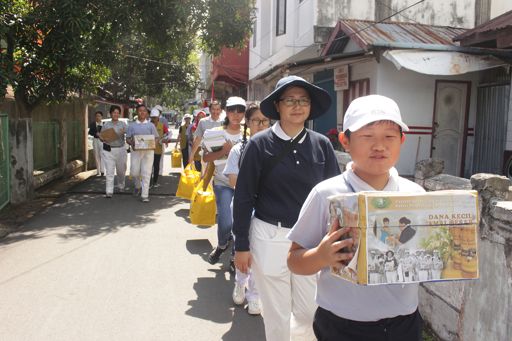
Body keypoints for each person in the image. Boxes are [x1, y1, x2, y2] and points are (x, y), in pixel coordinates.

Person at [287, 94, 425, 341]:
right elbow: (294, 260)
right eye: (367, 136)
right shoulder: (325, 194)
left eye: (389, 137)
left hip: (404, 324)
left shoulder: (415, 194)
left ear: (402, 140)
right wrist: (321, 256)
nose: (379, 145)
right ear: (345, 141)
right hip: (341, 326)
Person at [233, 75, 340, 341]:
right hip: (269, 236)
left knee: (309, 312)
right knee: (277, 315)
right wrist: (241, 246)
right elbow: (244, 197)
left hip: (310, 241)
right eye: (290, 100)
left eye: (303, 100)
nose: (297, 105)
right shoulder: (259, 145)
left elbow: (335, 196)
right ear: (277, 106)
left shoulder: (322, 145)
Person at [223, 103, 270, 316]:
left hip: (268, 210)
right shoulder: (238, 149)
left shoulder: (274, 149)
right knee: (243, 250)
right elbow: (233, 181)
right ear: (247, 124)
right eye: (256, 121)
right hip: (243, 208)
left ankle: (255, 296)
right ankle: (240, 283)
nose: (260, 125)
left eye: (265, 121)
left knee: (260, 255)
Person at [203, 97, 247, 265]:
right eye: (232, 110)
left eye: (240, 111)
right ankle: (222, 244)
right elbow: (206, 158)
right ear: (226, 112)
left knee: (242, 222)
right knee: (225, 221)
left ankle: (235, 256)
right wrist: (224, 150)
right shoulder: (215, 133)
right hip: (222, 183)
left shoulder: (249, 134)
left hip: (244, 185)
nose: (236, 115)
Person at [126, 104, 159, 203]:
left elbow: (156, 138)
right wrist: (132, 143)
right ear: (137, 112)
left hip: (148, 152)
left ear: (147, 113)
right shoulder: (132, 125)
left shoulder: (151, 125)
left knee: (146, 172)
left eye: (144, 111)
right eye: (140, 110)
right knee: (134, 171)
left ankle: (145, 195)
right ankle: (137, 186)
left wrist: (154, 145)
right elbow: (127, 138)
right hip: (136, 151)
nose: (142, 112)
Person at [101, 105, 127, 198]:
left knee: (121, 171)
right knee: (109, 171)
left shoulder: (123, 124)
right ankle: (109, 191)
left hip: (121, 150)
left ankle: (121, 185)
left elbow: (128, 135)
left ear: (119, 114)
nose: (116, 114)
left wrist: (123, 132)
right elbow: (102, 137)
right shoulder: (106, 125)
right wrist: (103, 138)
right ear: (110, 113)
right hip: (109, 150)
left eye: (117, 113)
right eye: (114, 112)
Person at [188, 101, 223, 167]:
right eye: (213, 109)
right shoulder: (203, 122)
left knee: (219, 177)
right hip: (206, 156)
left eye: (218, 109)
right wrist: (192, 155)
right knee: (205, 177)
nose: (215, 112)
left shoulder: (225, 122)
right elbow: (198, 139)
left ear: (221, 110)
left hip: (221, 157)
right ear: (209, 110)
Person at [150, 108, 170, 188]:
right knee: (148, 167)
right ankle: (148, 182)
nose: (154, 119)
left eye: (155, 117)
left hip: (158, 149)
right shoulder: (148, 124)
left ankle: (155, 182)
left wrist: (166, 140)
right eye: (152, 117)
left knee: (156, 166)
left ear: (158, 117)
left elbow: (167, 134)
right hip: (148, 150)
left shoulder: (162, 126)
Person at [88, 111, 104, 176]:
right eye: (96, 116)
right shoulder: (92, 124)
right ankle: (98, 171)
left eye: (99, 116)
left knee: (102, 155)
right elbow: (90, 132)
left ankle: (102, 170)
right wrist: (95, 133)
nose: (98, 117)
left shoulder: (104, 124)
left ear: (101, 117)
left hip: (102, 140)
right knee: (96, 155)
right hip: (95, 140)